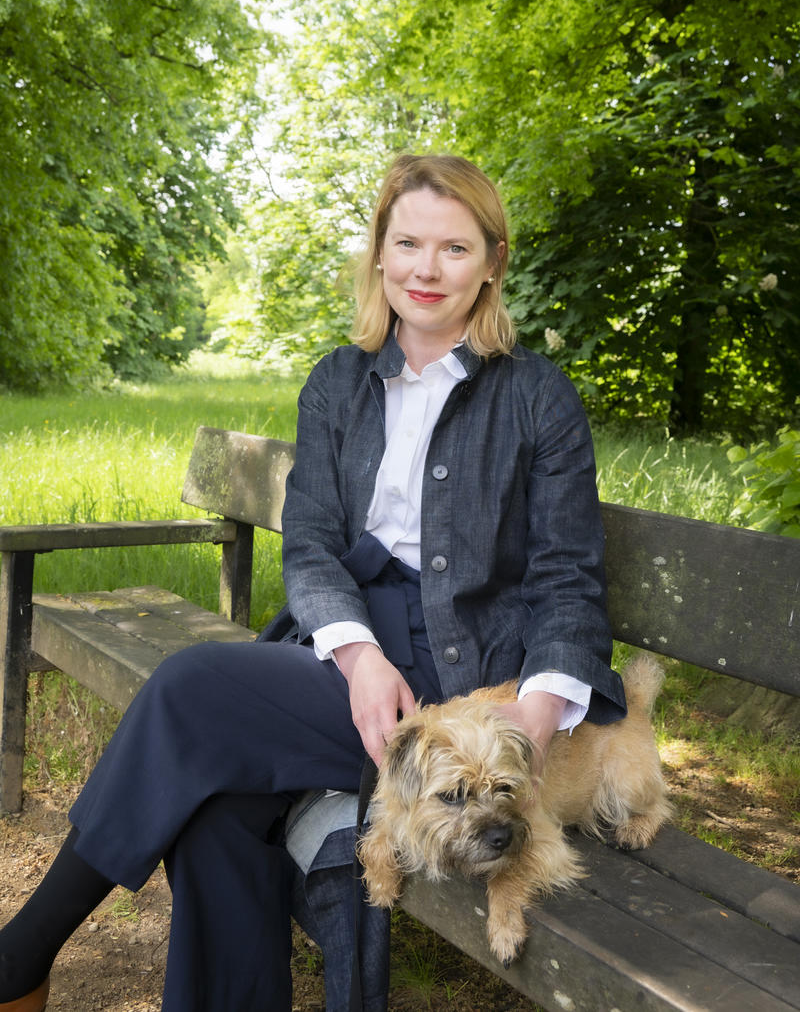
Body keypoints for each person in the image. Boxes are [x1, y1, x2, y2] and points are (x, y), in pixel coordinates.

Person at [0, 153, 626, 1012]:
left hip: (469, 683)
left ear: (493, 260)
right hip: (349, 648)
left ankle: (20, 954)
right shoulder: (338, 382)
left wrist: (530, 723)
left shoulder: (537, 398)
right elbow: (315, 546)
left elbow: (569, 581)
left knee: (192, 688)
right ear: (379, 253)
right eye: (407, 242)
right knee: (217, 810)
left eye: (454, 247)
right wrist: (361, 656)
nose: (426, 268)